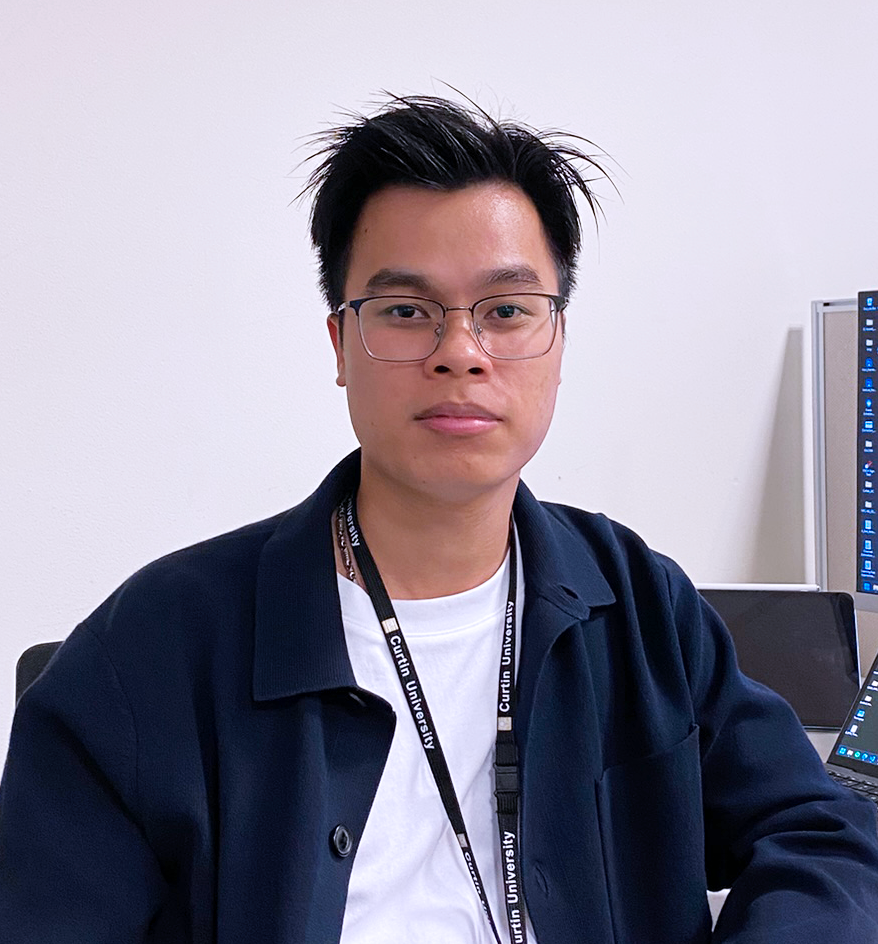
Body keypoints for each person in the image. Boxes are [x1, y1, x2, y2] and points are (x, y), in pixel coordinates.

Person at [1, 94, 877, 944]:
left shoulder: (641, 604)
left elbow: (828, 838)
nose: (460, 352)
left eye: (507, 311)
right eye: (405, 312)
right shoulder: (149, 652)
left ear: (558, 341)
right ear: (341, 347)